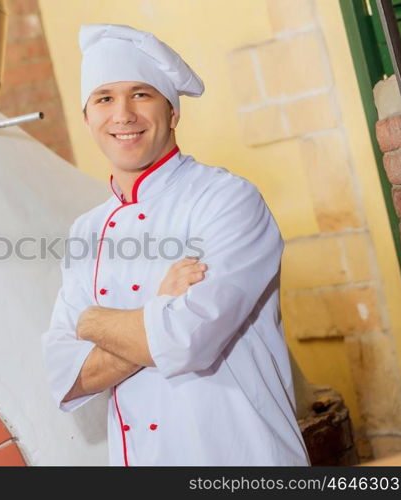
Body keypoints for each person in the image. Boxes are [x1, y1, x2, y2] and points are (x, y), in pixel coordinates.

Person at [41, 24, 310, 466]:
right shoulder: (85, 232)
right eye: (104, 98)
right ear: (87, 117)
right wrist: (158, 306)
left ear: (172, 111)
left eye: (141, 94)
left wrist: (90, 321)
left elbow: (187, 341)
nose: (122, 114)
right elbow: (65, 375)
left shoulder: (227, 199)